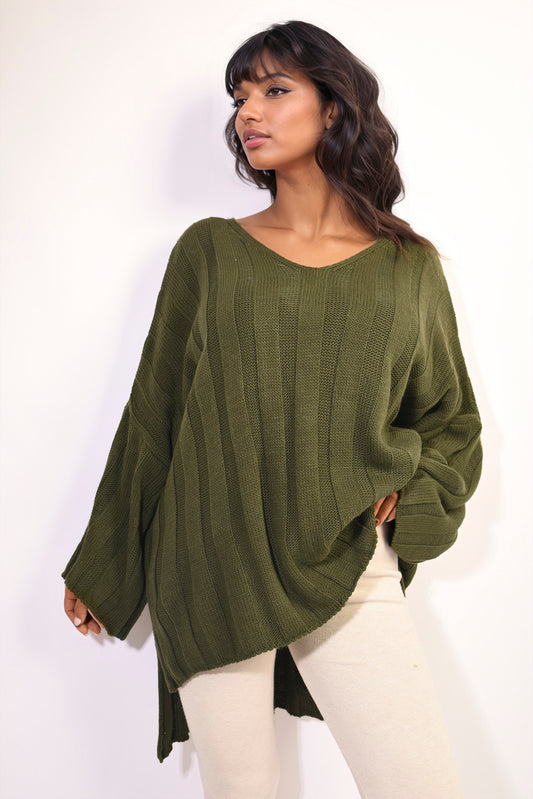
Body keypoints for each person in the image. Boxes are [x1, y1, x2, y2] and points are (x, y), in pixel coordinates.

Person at [62, 19, 483, 799]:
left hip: (346, 553)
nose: (248, 112)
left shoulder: (407, 268)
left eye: (274, 90)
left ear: (334, 107)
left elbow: (449, 419)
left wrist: (415, 487)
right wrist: (106, 561)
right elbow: (154, 413)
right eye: (239, 97)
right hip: (210, 560)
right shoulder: (208, 252)